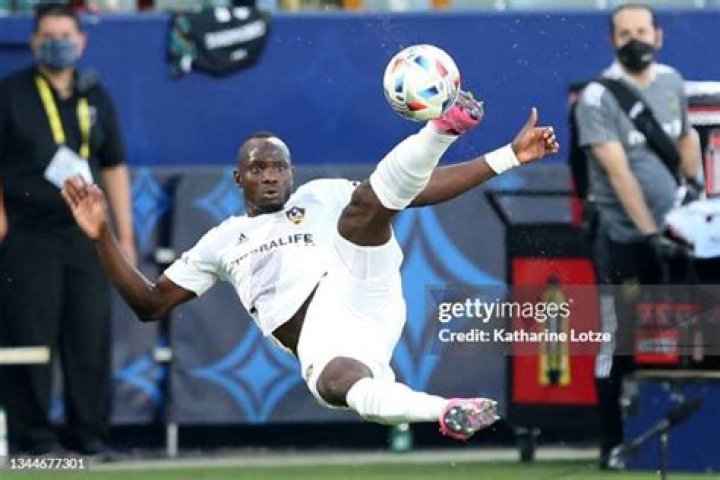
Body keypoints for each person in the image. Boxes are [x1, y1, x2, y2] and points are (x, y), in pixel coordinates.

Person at [62, 91, 558, 439]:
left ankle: (442, 129)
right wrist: (103, 236)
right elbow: (150, 304)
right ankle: (448, 411)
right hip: (326, 342)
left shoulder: (321, 194)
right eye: (258, 168)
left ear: (291, 173)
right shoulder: (221, 241)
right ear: (239, 178)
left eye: (279, 167)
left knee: (365, 207)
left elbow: (411, 193)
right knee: (340, 385)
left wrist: (507, 157)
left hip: (359, 284)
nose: (270, 176)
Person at [0, 4, 135, 455]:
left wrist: (124, 236)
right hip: (28, 235)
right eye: (48, 36)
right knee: (30, 336)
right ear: (34, 43)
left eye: (65, 35)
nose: (57, 43)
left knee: (89, 338)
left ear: (81, 42)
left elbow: (114, 166)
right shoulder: (11, 94)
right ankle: (34, 439)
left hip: (86, 238)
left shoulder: (96, 96)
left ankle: (90, 435)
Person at [574, 3, 702, 468]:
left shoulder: (671, 82)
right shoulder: (597, 98)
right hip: (623, 239)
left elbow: (685, 137)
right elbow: (618, 172)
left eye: (642, 31)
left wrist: (693, 193)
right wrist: (650, 233)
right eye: (625, 33)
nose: (635, 41)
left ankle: (695, 437)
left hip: (676, 234)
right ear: (612, 41)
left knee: (700, 330)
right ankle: (612, 443)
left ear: (658, 36)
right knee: (618, 338)